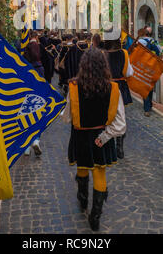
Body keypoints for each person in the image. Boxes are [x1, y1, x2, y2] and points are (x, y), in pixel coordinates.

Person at [62, 48, 126, 232]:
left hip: (81, 136)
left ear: (83, 66)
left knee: (82, 167)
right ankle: (95, 217)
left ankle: (82, 199)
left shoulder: (73, 87)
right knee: (100, 174)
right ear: (103, 66)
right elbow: (121, 124)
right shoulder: (113, 89)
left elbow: (67, 117)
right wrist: (105, 136)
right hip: (101, 139)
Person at [103, 38, 134, 159]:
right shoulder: (124, 53)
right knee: (120, 116)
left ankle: (108, 146)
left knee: (107, 116)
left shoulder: (102, 54)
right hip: (120, 86)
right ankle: (119, 146)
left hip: (106, 87)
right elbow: (128, 73)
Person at [23, 31, 44, 156]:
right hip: (40, 77)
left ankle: (26, 146)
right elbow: (48, 62)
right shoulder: (40, 47)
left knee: (27, 111)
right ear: (36, 37)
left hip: (28, 79)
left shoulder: (26, 48)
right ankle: (36, 139)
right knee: (38, 111)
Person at [138, 26, 162, 117]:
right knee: (151, 86)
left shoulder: (140, 41)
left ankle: (147, 108)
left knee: (145, 87)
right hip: (152, 67)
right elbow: (160, 52)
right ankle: (150, 104)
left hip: (143, 67)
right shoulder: (154, 42)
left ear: (143, 34)